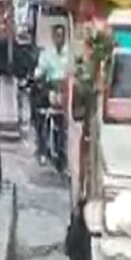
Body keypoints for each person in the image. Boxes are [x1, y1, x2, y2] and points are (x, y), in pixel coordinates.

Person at [32, 22, 73, 162]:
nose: (59, 38)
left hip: (66, 90)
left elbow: (74, 69)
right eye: (57, 35)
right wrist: (37, 76)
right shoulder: (46, 53)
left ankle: (64, 148)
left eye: (62, 35)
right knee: (40, 113)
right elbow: (40, 70)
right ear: (53, 36)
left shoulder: (70, 53)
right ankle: (42, 147)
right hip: (50, 88)